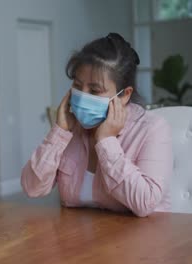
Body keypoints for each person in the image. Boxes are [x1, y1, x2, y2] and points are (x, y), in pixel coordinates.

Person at [21, 33, 173, 217]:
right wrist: (59, 132)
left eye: (94, 90)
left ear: (124, 95)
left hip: (141, 238)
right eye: (77, 86)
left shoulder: (152, 128)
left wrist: (106, 141)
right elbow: (32, 188)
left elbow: (145, 203)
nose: (83, 96)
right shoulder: (72, 128)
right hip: (81, 239)